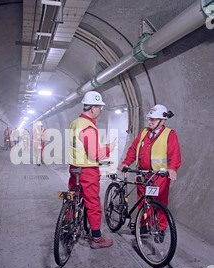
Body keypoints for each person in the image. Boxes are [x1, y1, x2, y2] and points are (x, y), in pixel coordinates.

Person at [117, 104, 181, 240]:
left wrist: (172, 168)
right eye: (149, 119)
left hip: (159, 176)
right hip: (142, 174)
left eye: (153, 119)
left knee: (159, 202)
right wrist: (126, 162)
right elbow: (134, 149)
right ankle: (144, 225)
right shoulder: (144, 132)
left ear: (162, 121)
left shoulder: (169, 134)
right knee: (143, 201)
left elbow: (174, 154)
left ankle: (160, 229)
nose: (149, 122)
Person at [68, 91, 117, 249]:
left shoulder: (75, 123)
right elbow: (94, 154)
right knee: (93, 204)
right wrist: (109, 148)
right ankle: (97, 239)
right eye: (99, 107)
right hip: (88, 171)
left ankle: (68, 228)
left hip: (74, 169)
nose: (101, 110)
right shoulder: (88, 127)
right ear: (92, 108)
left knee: (72, 198)